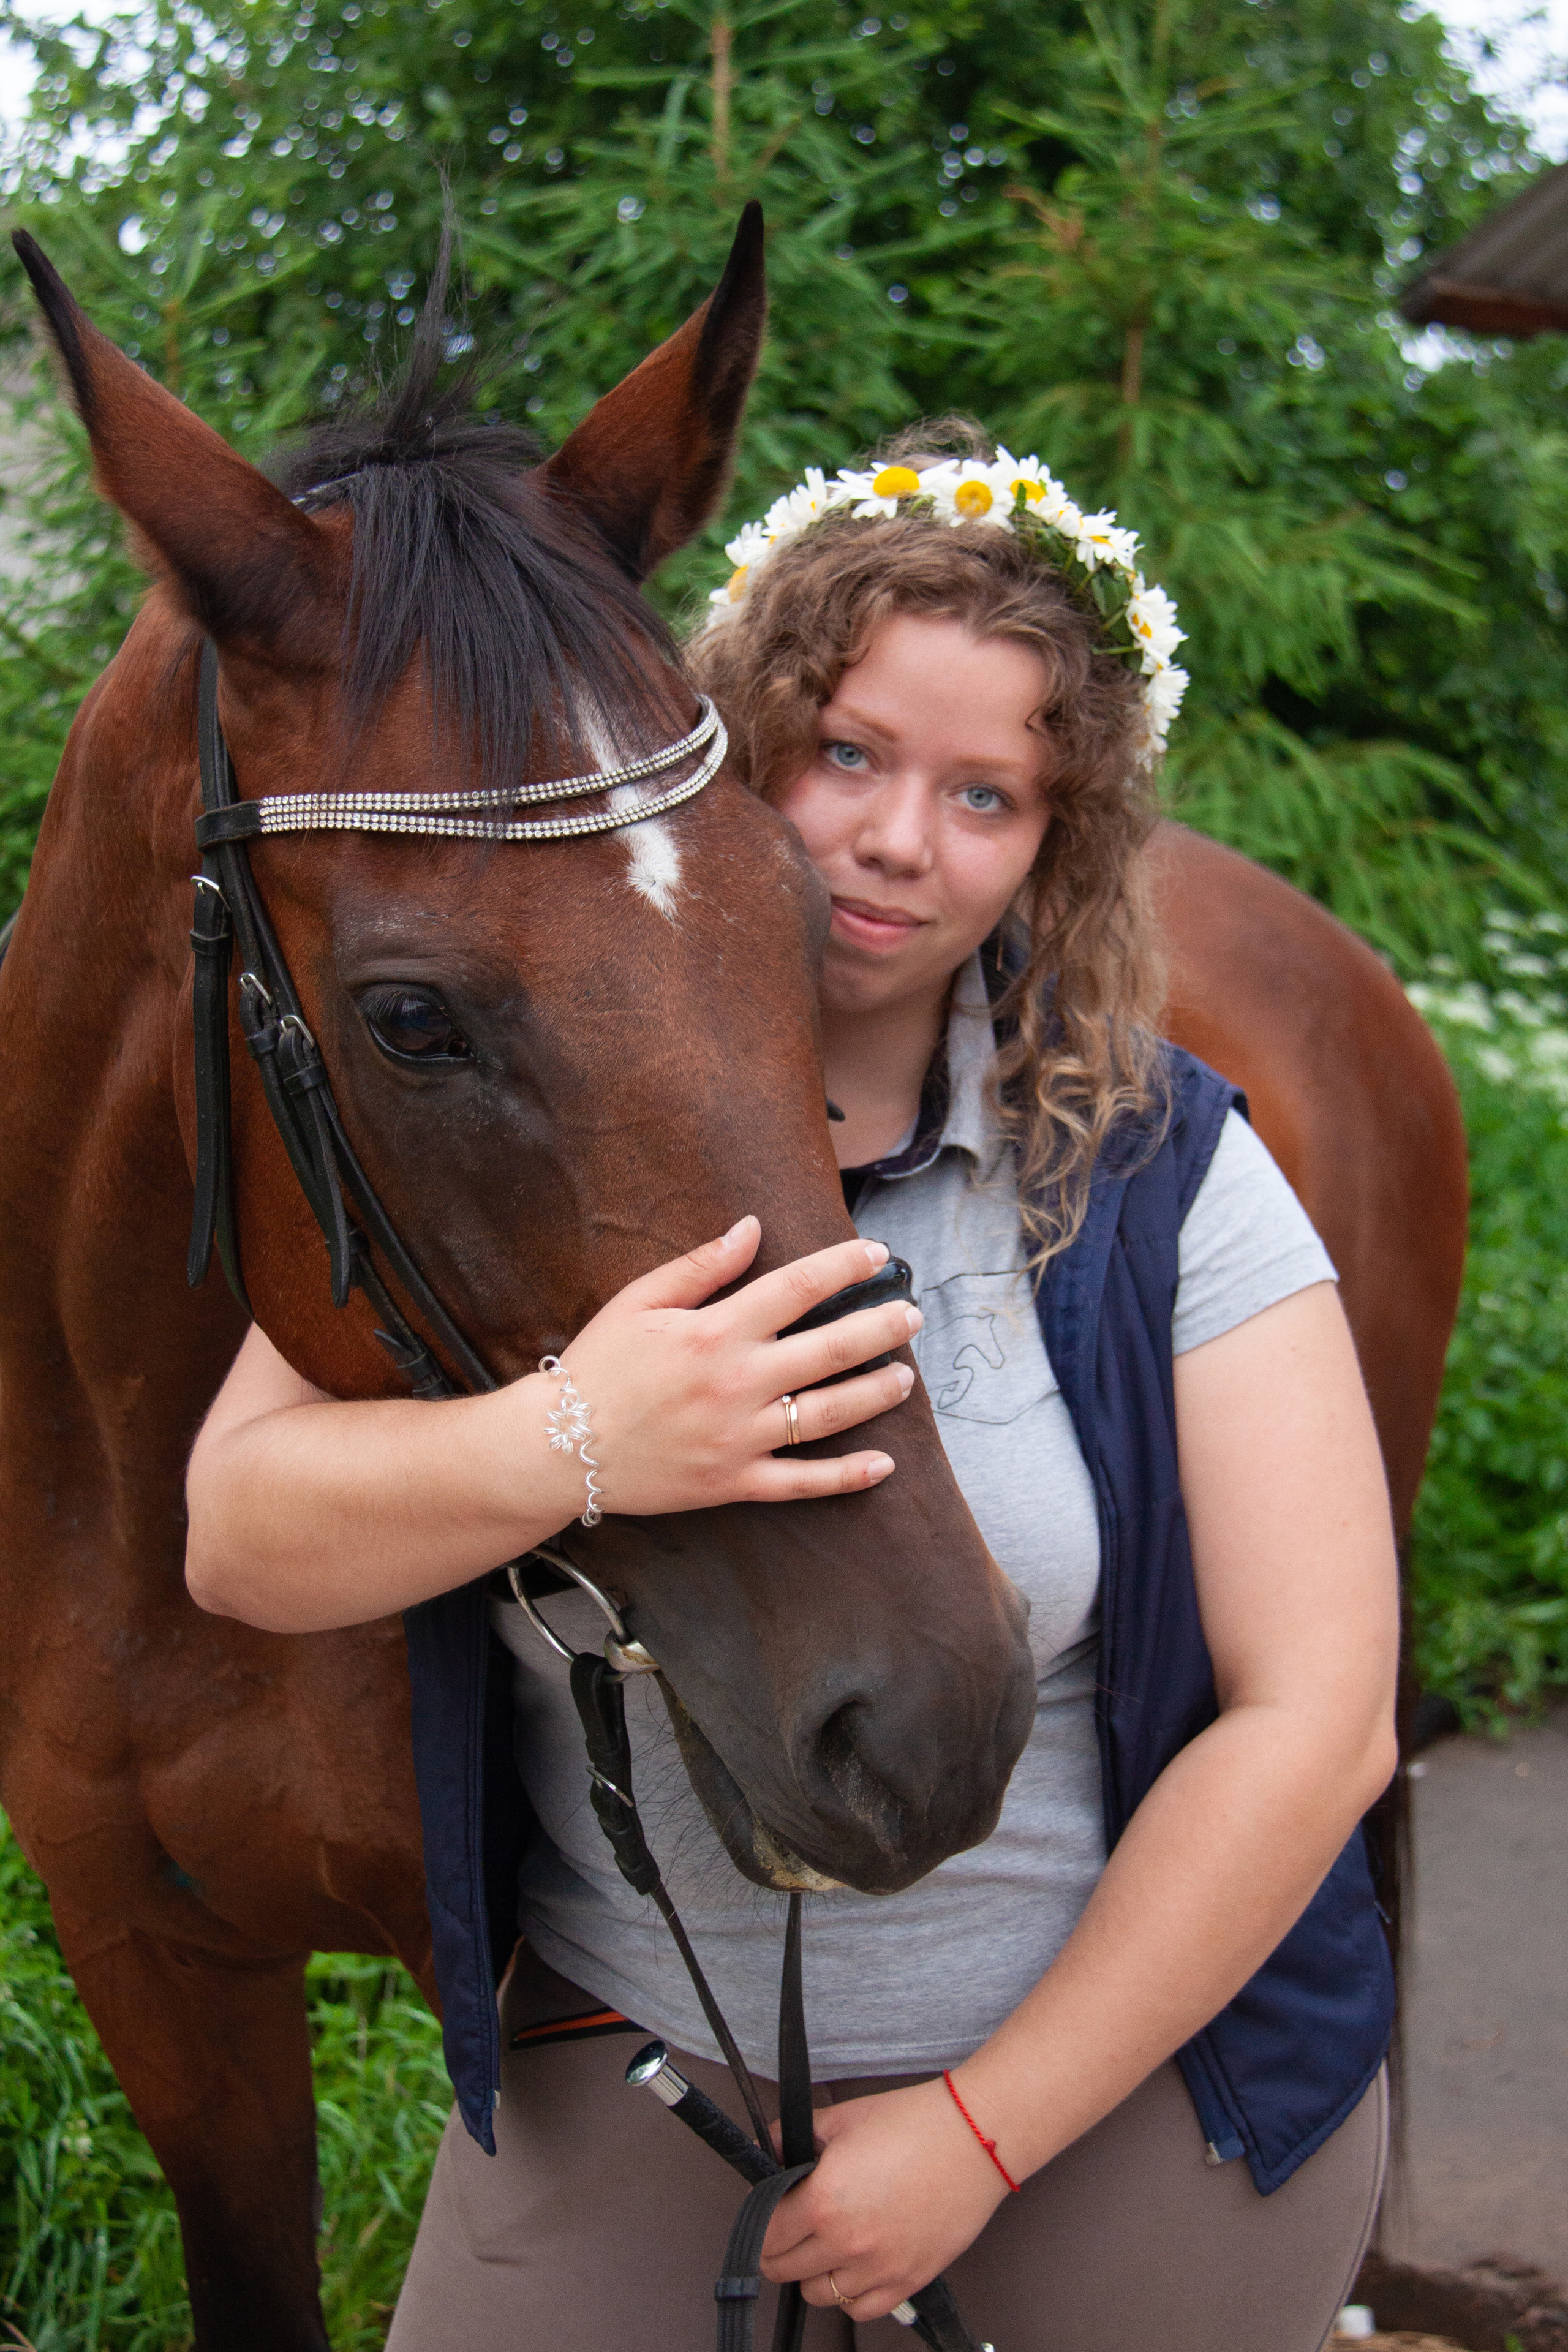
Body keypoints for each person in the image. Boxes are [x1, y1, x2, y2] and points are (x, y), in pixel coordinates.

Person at [185, 426, 1400, 2352]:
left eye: (987, 795)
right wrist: (585, 1433)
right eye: (848, 753)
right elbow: (238, 1535)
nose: (902, 841)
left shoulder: (1163, 1171)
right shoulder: (540, 1108)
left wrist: (981, 2138)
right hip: (642, 2046)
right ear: (735, 739)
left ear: (1052, 842)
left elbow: (1318, 1721)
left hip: (1111, 2073)